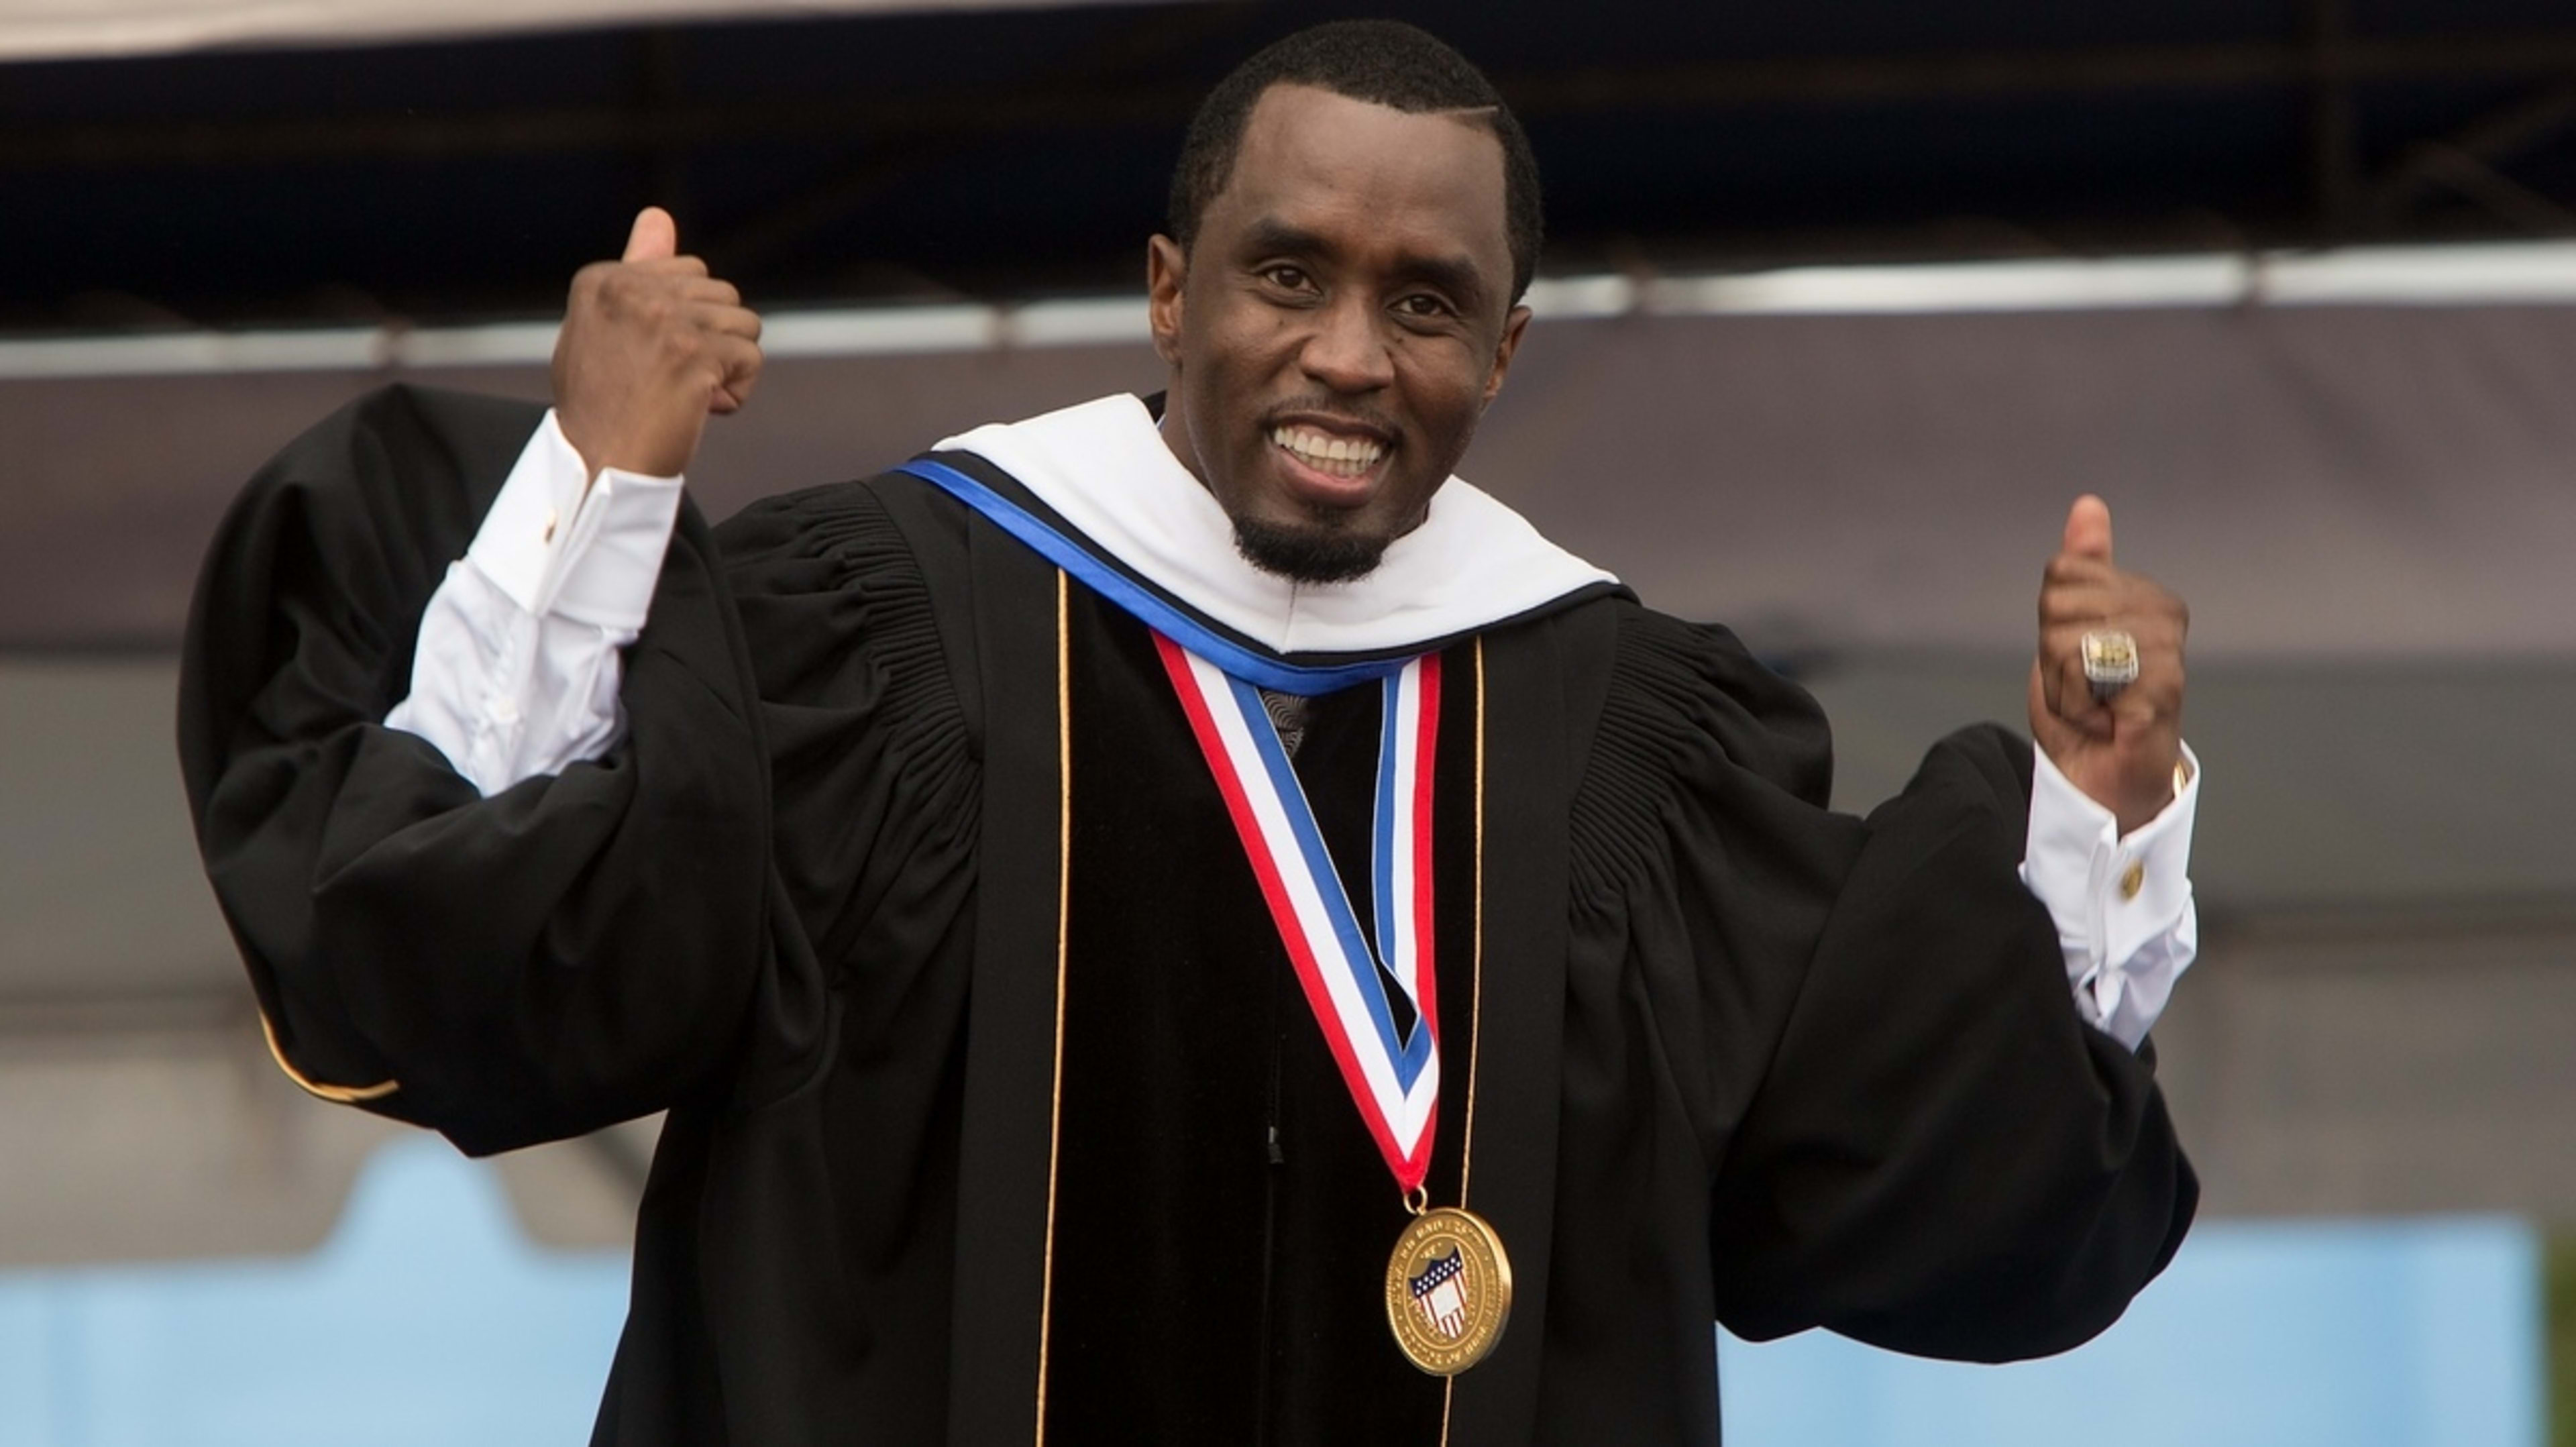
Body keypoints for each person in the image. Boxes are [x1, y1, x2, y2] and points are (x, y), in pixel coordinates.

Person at [178, 20, 2200, 1447]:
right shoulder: (868, 640)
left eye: (1425, 303)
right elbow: (479, 964)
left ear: (1503, 348)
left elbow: (1908, 1185)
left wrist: (2092, 830)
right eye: (1287, 275)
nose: (1347, 354)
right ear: (1166, 292)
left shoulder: (1634, 747)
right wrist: (603, 484)